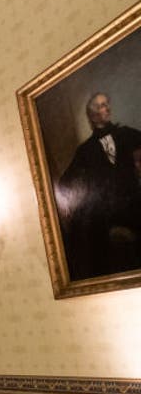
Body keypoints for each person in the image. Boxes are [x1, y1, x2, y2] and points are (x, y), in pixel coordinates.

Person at [54, 92, 141, 280]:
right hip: (108, 212)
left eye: (106, 104)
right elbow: (64, 183)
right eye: (101, 105)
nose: (107, 108)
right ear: (92, 115)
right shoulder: (86, 150)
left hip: (134, 202)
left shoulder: (126, 133)